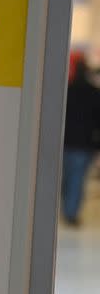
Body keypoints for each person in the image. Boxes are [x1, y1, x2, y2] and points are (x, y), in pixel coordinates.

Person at [62, 52, 100, 226]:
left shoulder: (66, 91)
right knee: (77, 179)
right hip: (84, 143)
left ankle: (65, 209)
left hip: (64, 142)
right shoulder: (94, 93)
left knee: (64, 178)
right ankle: (70, 212)